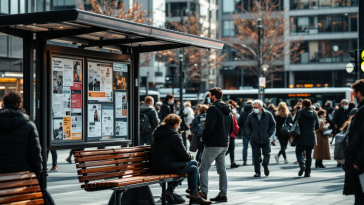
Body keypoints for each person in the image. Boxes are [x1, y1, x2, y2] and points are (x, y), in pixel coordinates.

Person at [149, 114, 211, 205]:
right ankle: (194, 193)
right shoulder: (174, 135)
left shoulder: (158, 133)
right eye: (178, 125)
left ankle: (174, 189)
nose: (178, 127)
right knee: (193, 167)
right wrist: (190, 156)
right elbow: (184, 156)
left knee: (193, 164)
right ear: (175, 124)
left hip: (156, 166)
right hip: (166, 166)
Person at [199, 87, 233, 202]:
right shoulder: (228, 109)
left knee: (203, 168)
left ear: (214, 96)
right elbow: (231, 127)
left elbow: (210, 127)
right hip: (224, 143)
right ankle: (223, 194)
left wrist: (204, 137)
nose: (209, 97)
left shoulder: (213, 108)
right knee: (222, 170)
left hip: (213, 143)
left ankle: (203, 192)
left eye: (210, 95)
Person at [0, 91, 42, 178]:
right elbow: (36, 156)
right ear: (19, 104)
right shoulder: (29, 125)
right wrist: (36, 174)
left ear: (3, 104)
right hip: (22, 177)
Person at [344, 79, 364, 204]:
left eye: (354, 93)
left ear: (359, 93)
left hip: (361, 163)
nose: (354, 96)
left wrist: (358, 161)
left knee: (361, 197)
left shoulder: (362, 111)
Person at [245, 100, 276, 177]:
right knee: (255, 156)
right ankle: (257, 172)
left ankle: (265, 165)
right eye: (254, 107)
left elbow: (273, 124)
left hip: (265, 139)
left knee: (266, 154)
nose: (255, 109)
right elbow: (247, 125)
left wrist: (269, 134)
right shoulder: (251, 115)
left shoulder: (268, 114)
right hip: (254, 139)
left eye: (256, 107)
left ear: (261, 107)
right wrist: (250, 134)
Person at [292, 99, 319, 177]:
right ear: (310, 104)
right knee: (309, 155)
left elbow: (294, 122)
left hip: (300, 135)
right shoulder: (314, 113)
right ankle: (308, 172)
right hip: (311, 135)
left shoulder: (300, 112)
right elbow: (317, 126)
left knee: (298, 152)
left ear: (303, 105)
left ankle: (302, 164)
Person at [225, 100, 240, 169]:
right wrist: (236, 131)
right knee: (231, 149)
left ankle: (232, 162)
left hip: (225, 134)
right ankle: (232, 162)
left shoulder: (224, 115)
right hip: (231, 134)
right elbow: (235, 125)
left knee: (227, 148)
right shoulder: (232, 115)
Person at [238, 100, 253, 165]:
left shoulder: (242, 112)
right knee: (254, 147)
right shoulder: (253, 112)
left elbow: (239, 122)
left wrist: (242, 128)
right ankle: (254, 160)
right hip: (253, 132)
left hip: (244, 132)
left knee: (245, 147)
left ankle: (245, 160)